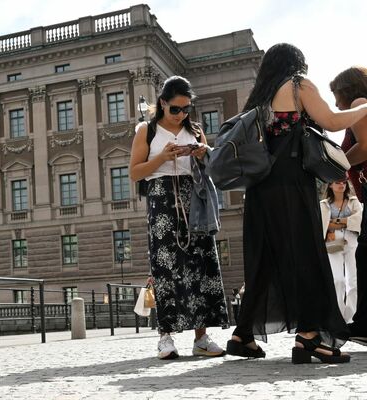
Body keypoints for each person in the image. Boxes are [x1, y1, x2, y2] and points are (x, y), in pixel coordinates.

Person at [226, 44, 367, 364]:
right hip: (291, 185)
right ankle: (309, 337)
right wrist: (364, 108)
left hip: (260, 190)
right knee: (306, 256)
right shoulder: (297, 85)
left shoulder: (259, 98)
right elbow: (331, 121)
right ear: (296, 64)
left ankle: (242, 335)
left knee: (264, 262)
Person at [129, 76, 229, 360]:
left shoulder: (195, 130)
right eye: (175, 109)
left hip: (194, 198)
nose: (182, 114)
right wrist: (162, 157)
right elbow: (135, 173)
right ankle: (166, 337)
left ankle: (201, 338)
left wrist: (201, 154)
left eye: (186, 108)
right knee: (165, 267)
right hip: (161, 200)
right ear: (162, 103)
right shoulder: (145, 131)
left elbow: (209, 169)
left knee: (202, 264)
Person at [333, 65, 367, 346]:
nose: (335, 104)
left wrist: (338, 164)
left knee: (363, 257)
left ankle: (362, 325)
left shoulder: (359, 103)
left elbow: (365, 146)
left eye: (336, 96)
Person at [319, 180, 362, 323]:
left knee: (353, 281)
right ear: (330, 185)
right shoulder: (324, 204)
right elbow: (323, 223)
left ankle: (351, 318)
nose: (341, 185)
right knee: (338, 280)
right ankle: (338, 316)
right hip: (332, 240)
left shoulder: (354, 201)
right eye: (337, 182)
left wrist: (334, 222)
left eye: (344, 182)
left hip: (352, 238)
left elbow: (358, 219)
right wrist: (343, 222)